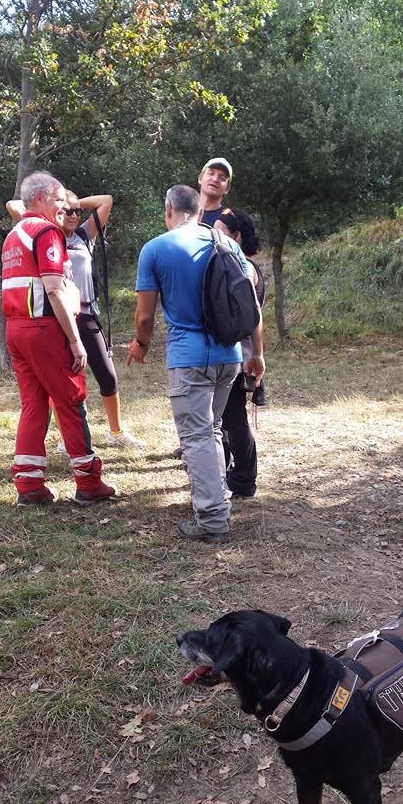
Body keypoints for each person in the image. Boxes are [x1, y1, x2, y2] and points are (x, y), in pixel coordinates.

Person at [127, 185, 265, 544]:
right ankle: (217, 501)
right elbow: (251, 307)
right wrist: (256, 353)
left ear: (168, 209)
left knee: (198, 437)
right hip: (230, 356)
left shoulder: (156, 248)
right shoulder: (228, 244)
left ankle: (213, 518)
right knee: (212, 430)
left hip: (190, 359)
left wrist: (141, 345)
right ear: (199, 212)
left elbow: (144, 316)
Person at [1, 171, 116, 505]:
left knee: (33, 405)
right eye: (58, 198)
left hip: (17, 329)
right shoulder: (46, 231)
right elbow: (54, 288)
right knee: (70, 400)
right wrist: (75, 340)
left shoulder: (14, 234)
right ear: (40, 198)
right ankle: (89, 483)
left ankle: (29, 486)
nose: (64, 205)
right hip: (44, 329)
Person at [6, 190, 144, 450]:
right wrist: (54, 208)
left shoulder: (83, 234)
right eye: (66, 210)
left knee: (107, 376)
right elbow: (12, 205)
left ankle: (116, 432)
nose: (73, 215)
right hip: (58, 318)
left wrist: (72, 202)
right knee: (60, 380)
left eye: (77, 211)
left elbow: (107, 201)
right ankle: (67, 437)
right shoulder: (46, 234)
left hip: (87, 315)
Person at [214, 208, 266, 499]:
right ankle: (237, 474)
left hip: (240, 353)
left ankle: (244, 479)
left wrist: (257, 354)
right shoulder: (236, 264)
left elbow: (252, 317)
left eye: (220, 230)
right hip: (238, 353)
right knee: (230, 417)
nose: (213, 235)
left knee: (233, 418)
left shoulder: (244, 268)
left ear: (236, 236)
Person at [197, 158, 232, 227]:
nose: (215, 179)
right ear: (200, 178)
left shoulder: (227, 220)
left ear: (227, 188)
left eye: (222, 178)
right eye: (211, 173)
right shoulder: (182, 210)